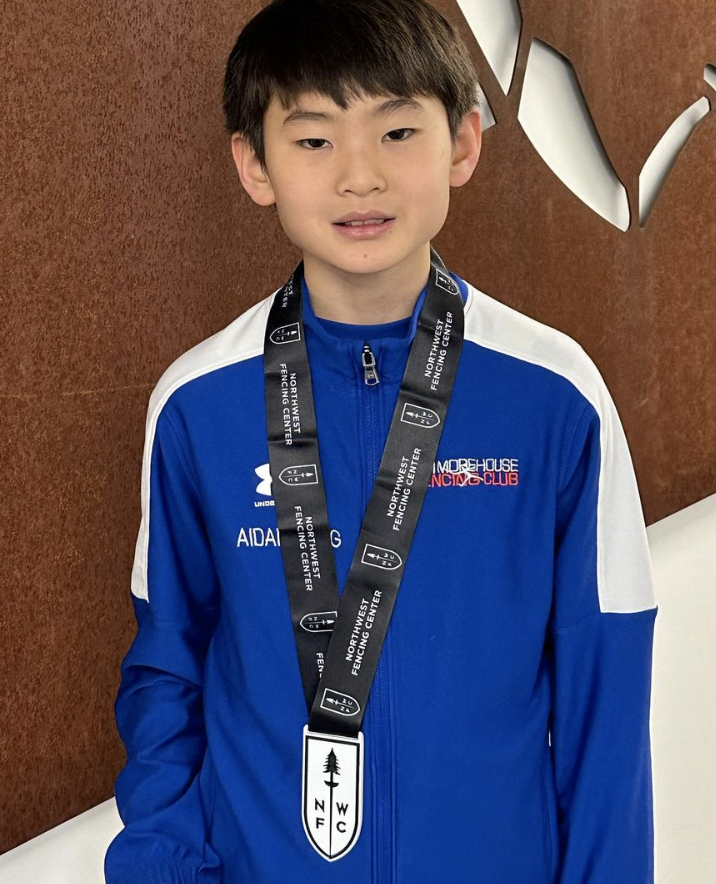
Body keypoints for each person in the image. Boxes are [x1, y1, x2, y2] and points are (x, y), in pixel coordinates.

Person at [104, 1, 659, 882]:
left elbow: (607, 708)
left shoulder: (557, 397)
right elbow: (168, 676)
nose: (359, 178)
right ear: (254, 165)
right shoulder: (195, 406)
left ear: (463, 144)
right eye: (314, 140)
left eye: (398, 132)